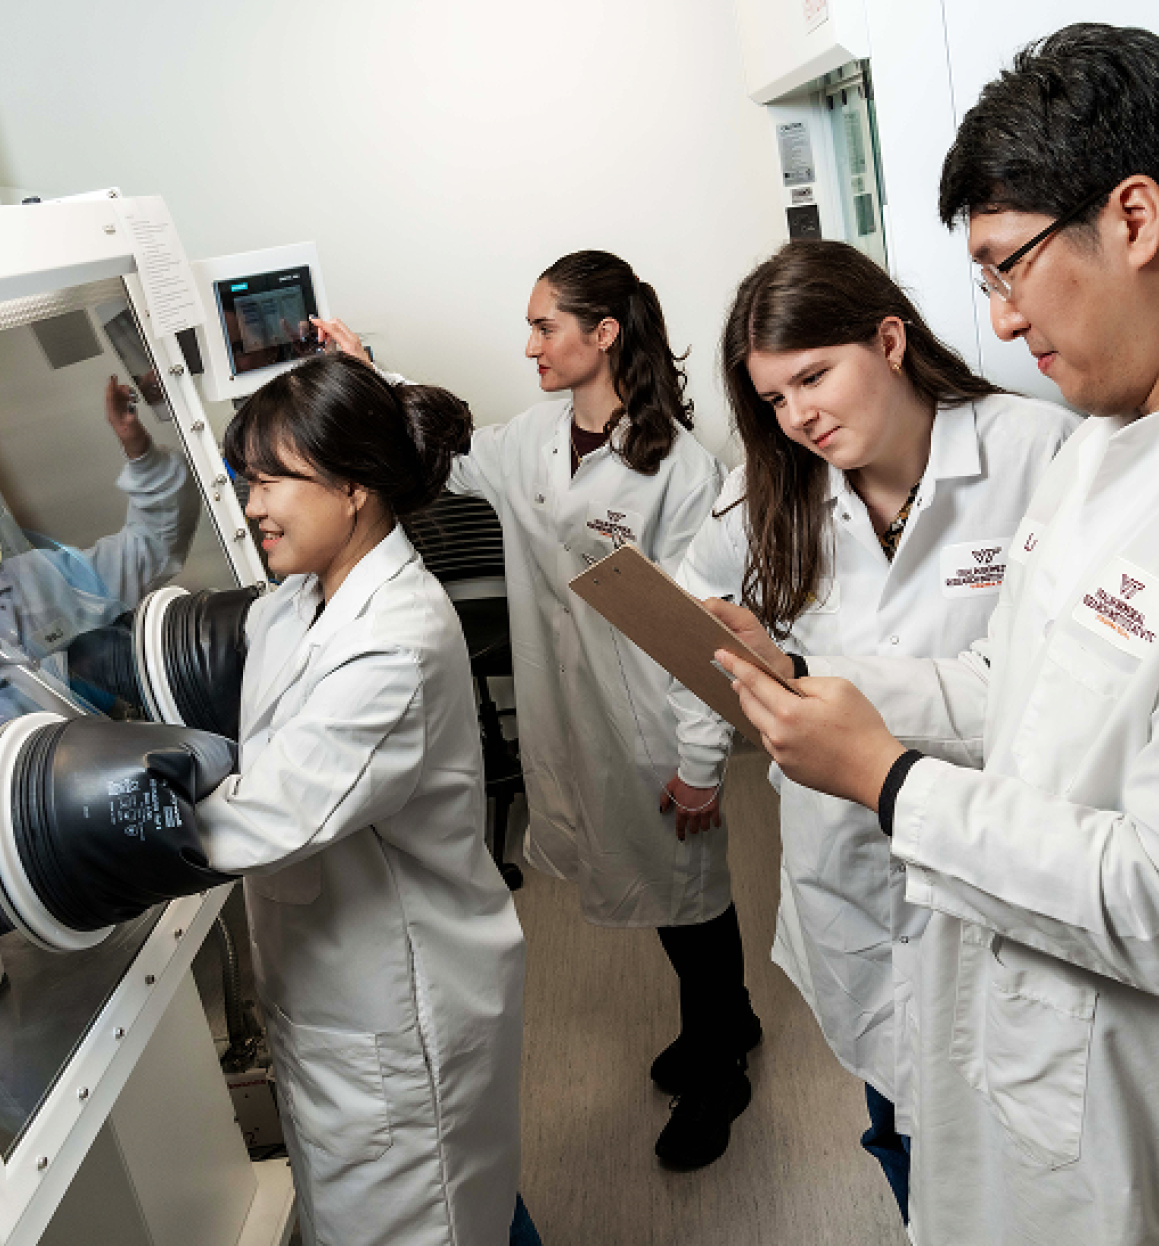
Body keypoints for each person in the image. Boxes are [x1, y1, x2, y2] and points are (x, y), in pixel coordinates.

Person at [715, 22, 1159, 1246]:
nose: (1007, 320)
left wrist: (893, 785)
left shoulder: (1045, 445)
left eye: (1009, 265)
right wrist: (814, 691)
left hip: (1097, 1049)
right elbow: (998, 682)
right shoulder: (1106, 450)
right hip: (984, 976)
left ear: (1134, 217)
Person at [667, 238, 1077, 1224]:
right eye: (772, 398)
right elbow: (688, 600)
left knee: (1024, 1151)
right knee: (896, 1121)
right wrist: (739, 687)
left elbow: (1034, 692)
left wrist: (816, 677)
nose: (797, 415)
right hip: (845, 869)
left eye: (813, 376)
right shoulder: (769, 488)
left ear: (888, 340)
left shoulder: (1036, 452)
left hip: (997, 859)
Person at [315, 250, 750, 1170]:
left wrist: (702, 760)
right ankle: (732, 1019)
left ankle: (722, 1067)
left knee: (689, 893)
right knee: (664, 890)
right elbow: (458, 459)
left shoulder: (682, 469)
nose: (529, 346)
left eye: (544, 326)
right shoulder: (536, 437)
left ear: (603, 334)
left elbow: (703, 634)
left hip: (655, 720)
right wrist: (367, 374)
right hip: (576, 707)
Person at [193, 353, 526, 1246]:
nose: (252, 504)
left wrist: (95, 827)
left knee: (428, 1218)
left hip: (396, 1007)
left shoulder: (395, 643)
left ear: (354, 488)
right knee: (445, 1200)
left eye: (272, 481)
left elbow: (266, 818)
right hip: (332, 988)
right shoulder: (297, 599)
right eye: (245, 480)